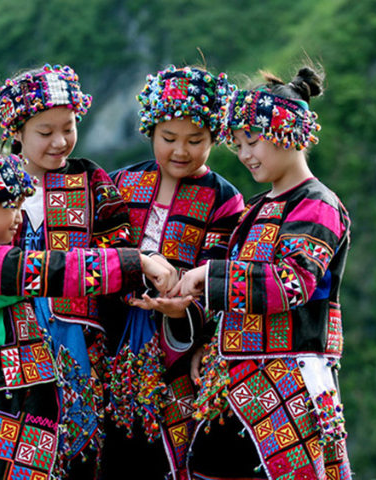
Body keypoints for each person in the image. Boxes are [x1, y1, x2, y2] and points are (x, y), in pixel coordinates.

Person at [0, 152, 176, 480]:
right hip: (2, 408)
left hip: (1, 406)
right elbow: (56, 270)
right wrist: (135, 263)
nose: (18, 217)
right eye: (11, 207)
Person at [170, 65, 353, 479]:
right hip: (231, 385)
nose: (246, 154)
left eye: (252, 141)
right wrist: (205, 340)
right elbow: (234, 294)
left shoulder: (317, 205)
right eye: (237, 145)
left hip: (288, 384)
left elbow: (292, 282)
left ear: (288, 134)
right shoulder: (254, 209)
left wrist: (209, 277)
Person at [0, 64, 139, 477]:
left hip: (76, 335)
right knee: (16, 435)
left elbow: (119, 242)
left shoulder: (90, 180)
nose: (60, 142)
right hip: (10, 332)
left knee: (80, 435)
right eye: (45, 132)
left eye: (69, 128)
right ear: (16, 131)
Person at [102, 65, 245, 479]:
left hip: (178, 350)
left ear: (215, 137)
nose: (180, 151)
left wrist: (184, 314)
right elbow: (101, 250)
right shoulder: (121, 183)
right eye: (169, 139)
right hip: (112, 341)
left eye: (195, 140)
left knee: (167, 452)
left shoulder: (224, 200)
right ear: (150, 131)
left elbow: (217, 279)